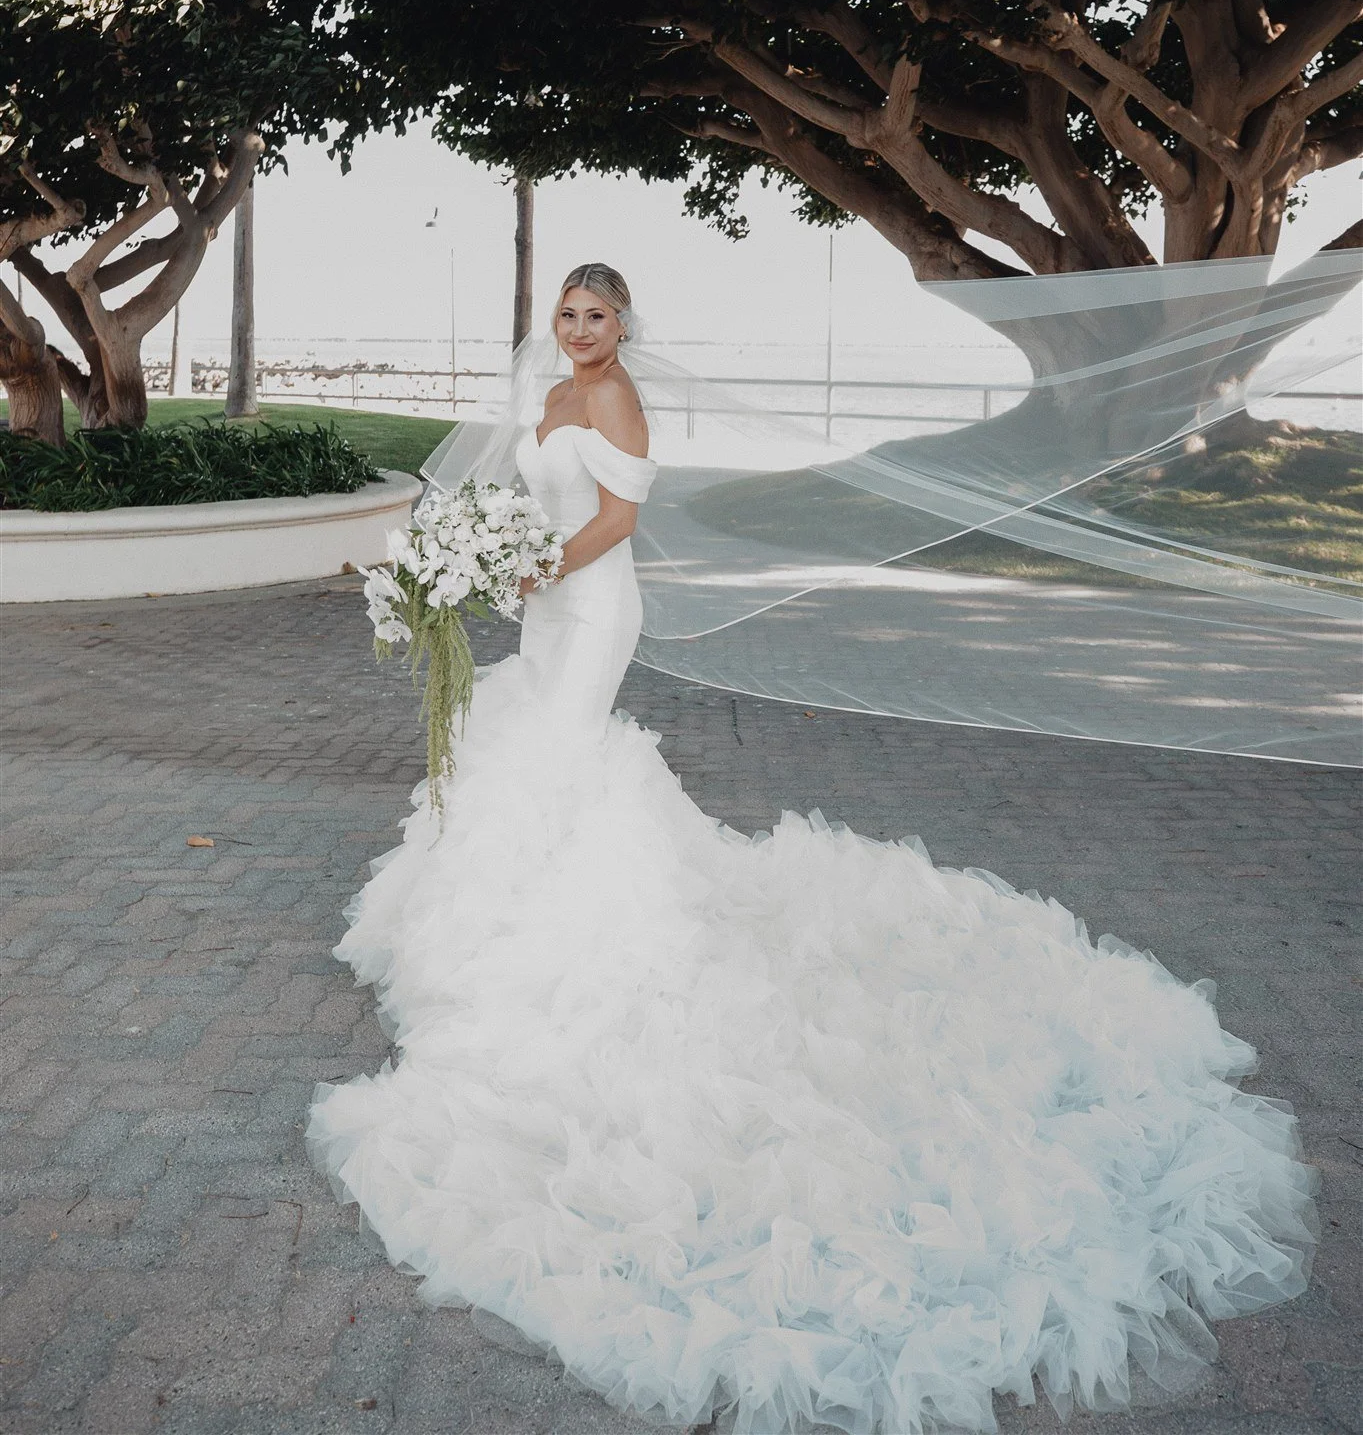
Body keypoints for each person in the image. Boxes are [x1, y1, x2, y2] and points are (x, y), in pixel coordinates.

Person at [307, 262, 1315, 1435]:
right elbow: (539, 505)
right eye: (569, 315)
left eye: (598, 315)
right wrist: (492, 559)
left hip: (592, 609)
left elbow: (616, 522)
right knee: (532, 751)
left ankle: (573, 936)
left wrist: (536, 566)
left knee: (565, 756)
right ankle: (508, 923)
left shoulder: (619, 396)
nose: (580, 330)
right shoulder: (551, 391)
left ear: (625, 323)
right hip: (543, 605)